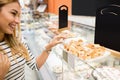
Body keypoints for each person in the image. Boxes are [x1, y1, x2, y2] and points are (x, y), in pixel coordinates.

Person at [0, 0, 67, 80]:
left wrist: (49, 47)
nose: (17, 21)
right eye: (13, 13)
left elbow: (34, 65)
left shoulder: (16, 39)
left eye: (19, 16)